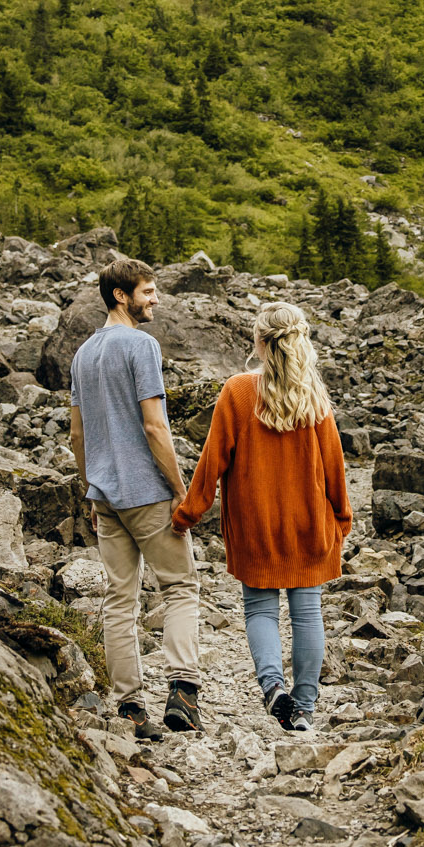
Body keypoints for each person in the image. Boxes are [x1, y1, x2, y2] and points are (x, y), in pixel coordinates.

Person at [175, 301, 352, 731]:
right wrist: (341, 519)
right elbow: (334, 463)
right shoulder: (314, 394)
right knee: (307, 613)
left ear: (260, 341)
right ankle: (305, 710)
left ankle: (274, 689)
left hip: (255, 521)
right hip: (309, 520)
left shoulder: (237, 391)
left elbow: (212, 460)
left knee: (260, 610)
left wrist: (188, 513)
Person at [69, 255, 203, 735]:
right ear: (121, 296)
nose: (155, 299)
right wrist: (182, 490)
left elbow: (78, 436)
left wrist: (91, 486)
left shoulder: (82, 354)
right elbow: (154, 425)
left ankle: (129, 708)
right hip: (146, 492)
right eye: (148, 292)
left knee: (118, 599)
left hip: (104, 495)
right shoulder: (141, 345)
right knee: (181, 587)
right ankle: (183, 693)